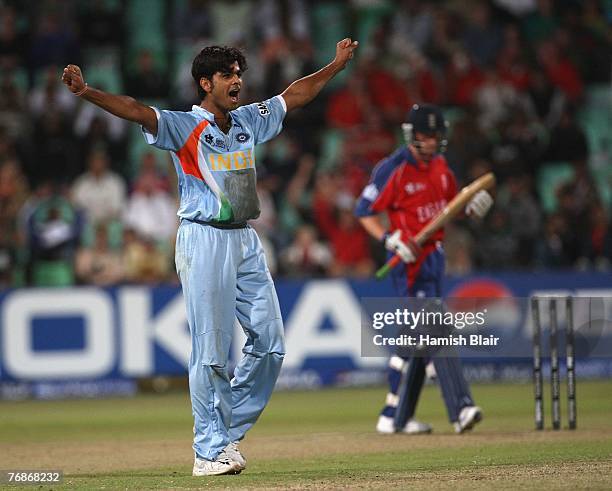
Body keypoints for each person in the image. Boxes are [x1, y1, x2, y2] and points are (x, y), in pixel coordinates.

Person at [62, 38, 358, 476]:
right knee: (212, 351)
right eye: (228, 75)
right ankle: (207, 452)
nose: (238, 80)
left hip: (245, 239)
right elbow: (136, 110)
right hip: (203, 240)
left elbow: (296, 94)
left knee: (271, 344)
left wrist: (334, 65)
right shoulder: (184, 126)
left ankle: (225, 434)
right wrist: (87, 93)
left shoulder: (247, 121)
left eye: (239, 73)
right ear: (206, 83)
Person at [355, 103, 493, 434]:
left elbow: (448, 210)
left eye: (436, 136)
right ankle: (461, 408)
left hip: (435, 257)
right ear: (413, 136)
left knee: (417, 337)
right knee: (436, 327)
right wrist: (389, 239)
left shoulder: (442, 167)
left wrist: (471, 209)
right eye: (426, 136)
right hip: (409, 262)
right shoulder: (394, 167)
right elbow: (364, 211)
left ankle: (394, 416)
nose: (432, 143)